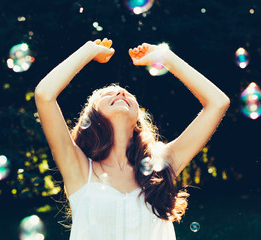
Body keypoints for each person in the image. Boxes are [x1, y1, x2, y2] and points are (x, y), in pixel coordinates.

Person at [34, 38, 230, 240]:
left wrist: (165, 56)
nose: (120, 92)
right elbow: (44, 94)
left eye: (127, 95)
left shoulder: (160, 167)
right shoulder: (79, 169)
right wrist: (90, 50)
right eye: (107, 94)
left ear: (137, 121)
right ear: (91, 118)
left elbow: (218, 102)